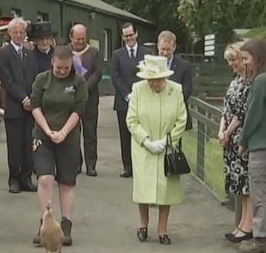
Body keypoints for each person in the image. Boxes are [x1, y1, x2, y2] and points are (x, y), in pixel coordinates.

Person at [30, 45, 88, 246]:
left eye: (66, 68)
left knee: (66, 181)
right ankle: (44, 224)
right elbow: (35, 106)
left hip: (68, 137)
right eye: (59, 68)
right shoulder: (41, 80)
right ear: (52, 62)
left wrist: (63, 132)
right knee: (45, 179)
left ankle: (66, 225)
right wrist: (47, 131)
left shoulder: (78, 82)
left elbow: (79, 110)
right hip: (43, 136)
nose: (62, 71)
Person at [126, 55, 186, 245]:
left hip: (167, 146)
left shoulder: (176, 90)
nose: (154, 83)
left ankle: (163, 229)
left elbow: (181, 119)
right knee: (144, 186)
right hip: (144, 146)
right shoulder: (138, 89)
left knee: (166, 189)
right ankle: (143, 224)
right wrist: (147, 141)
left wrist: (168, 141)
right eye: (151, 80)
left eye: (158, 79)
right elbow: (132, 120)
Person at [0, 17, 37, 193]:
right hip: (14, 107)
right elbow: (8, 81)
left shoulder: (30, 53)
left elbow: (34, 78)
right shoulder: (3, 54)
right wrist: (23, 99)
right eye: (16, 32)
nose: (19, 35)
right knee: (14, 145)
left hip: (30, 108)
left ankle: (26, 178)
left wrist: (32, 98)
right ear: (9, 33)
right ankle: (13, 179)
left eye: (22, 32)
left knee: (28, 144)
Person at [217, 42, 252, 243]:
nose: (232, 64)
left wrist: (228, 133)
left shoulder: (250, 83)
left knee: (246, 186)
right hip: (229, 138)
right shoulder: (235, 81)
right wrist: (221, 130)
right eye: (229, 61)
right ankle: (241, 224)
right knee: (239, 186)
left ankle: (247, 226)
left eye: (235, 60)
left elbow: (241, 113)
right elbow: (226, 109)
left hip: (241, 138)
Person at [111, 22, 152, 178]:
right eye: (125, 35)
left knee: (143, 133)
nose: (129, 38)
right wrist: (127, 95)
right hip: (124, 101)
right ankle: (128, 167)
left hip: (144, 101)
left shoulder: (147, 53)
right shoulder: (117, 55)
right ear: (122, 37)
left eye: (131, 34)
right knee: (125, 135)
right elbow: (116, 77)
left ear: (136, 34)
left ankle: (142, 166)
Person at [238, 38, 266, 253]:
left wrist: (243, 140)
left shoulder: (260, 81)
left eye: (246, 58)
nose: (244, 63)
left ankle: (260, 238)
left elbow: (253, 115)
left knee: (260, 193)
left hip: (260, 145)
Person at [69, 24, 102, 176]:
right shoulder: (66, 51)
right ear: (71, 37)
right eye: (78, 39)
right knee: (73, 134)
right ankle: (75, 164)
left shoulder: (94, 52)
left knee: (90, 134)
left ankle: (91, 165)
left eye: (83, 38)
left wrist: (85, 89)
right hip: (71, 100)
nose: (81, 41)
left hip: (90, 99)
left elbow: (98, 73)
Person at [157, 30, 193, 130]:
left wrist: (171, 105)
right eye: (162, 49)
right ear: (158, 46)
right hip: (154, 115)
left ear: (174, 47)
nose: (165, 53)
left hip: (176, 115)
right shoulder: (151, 64)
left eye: (168, 50)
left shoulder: (184, 66)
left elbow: (187, 90)